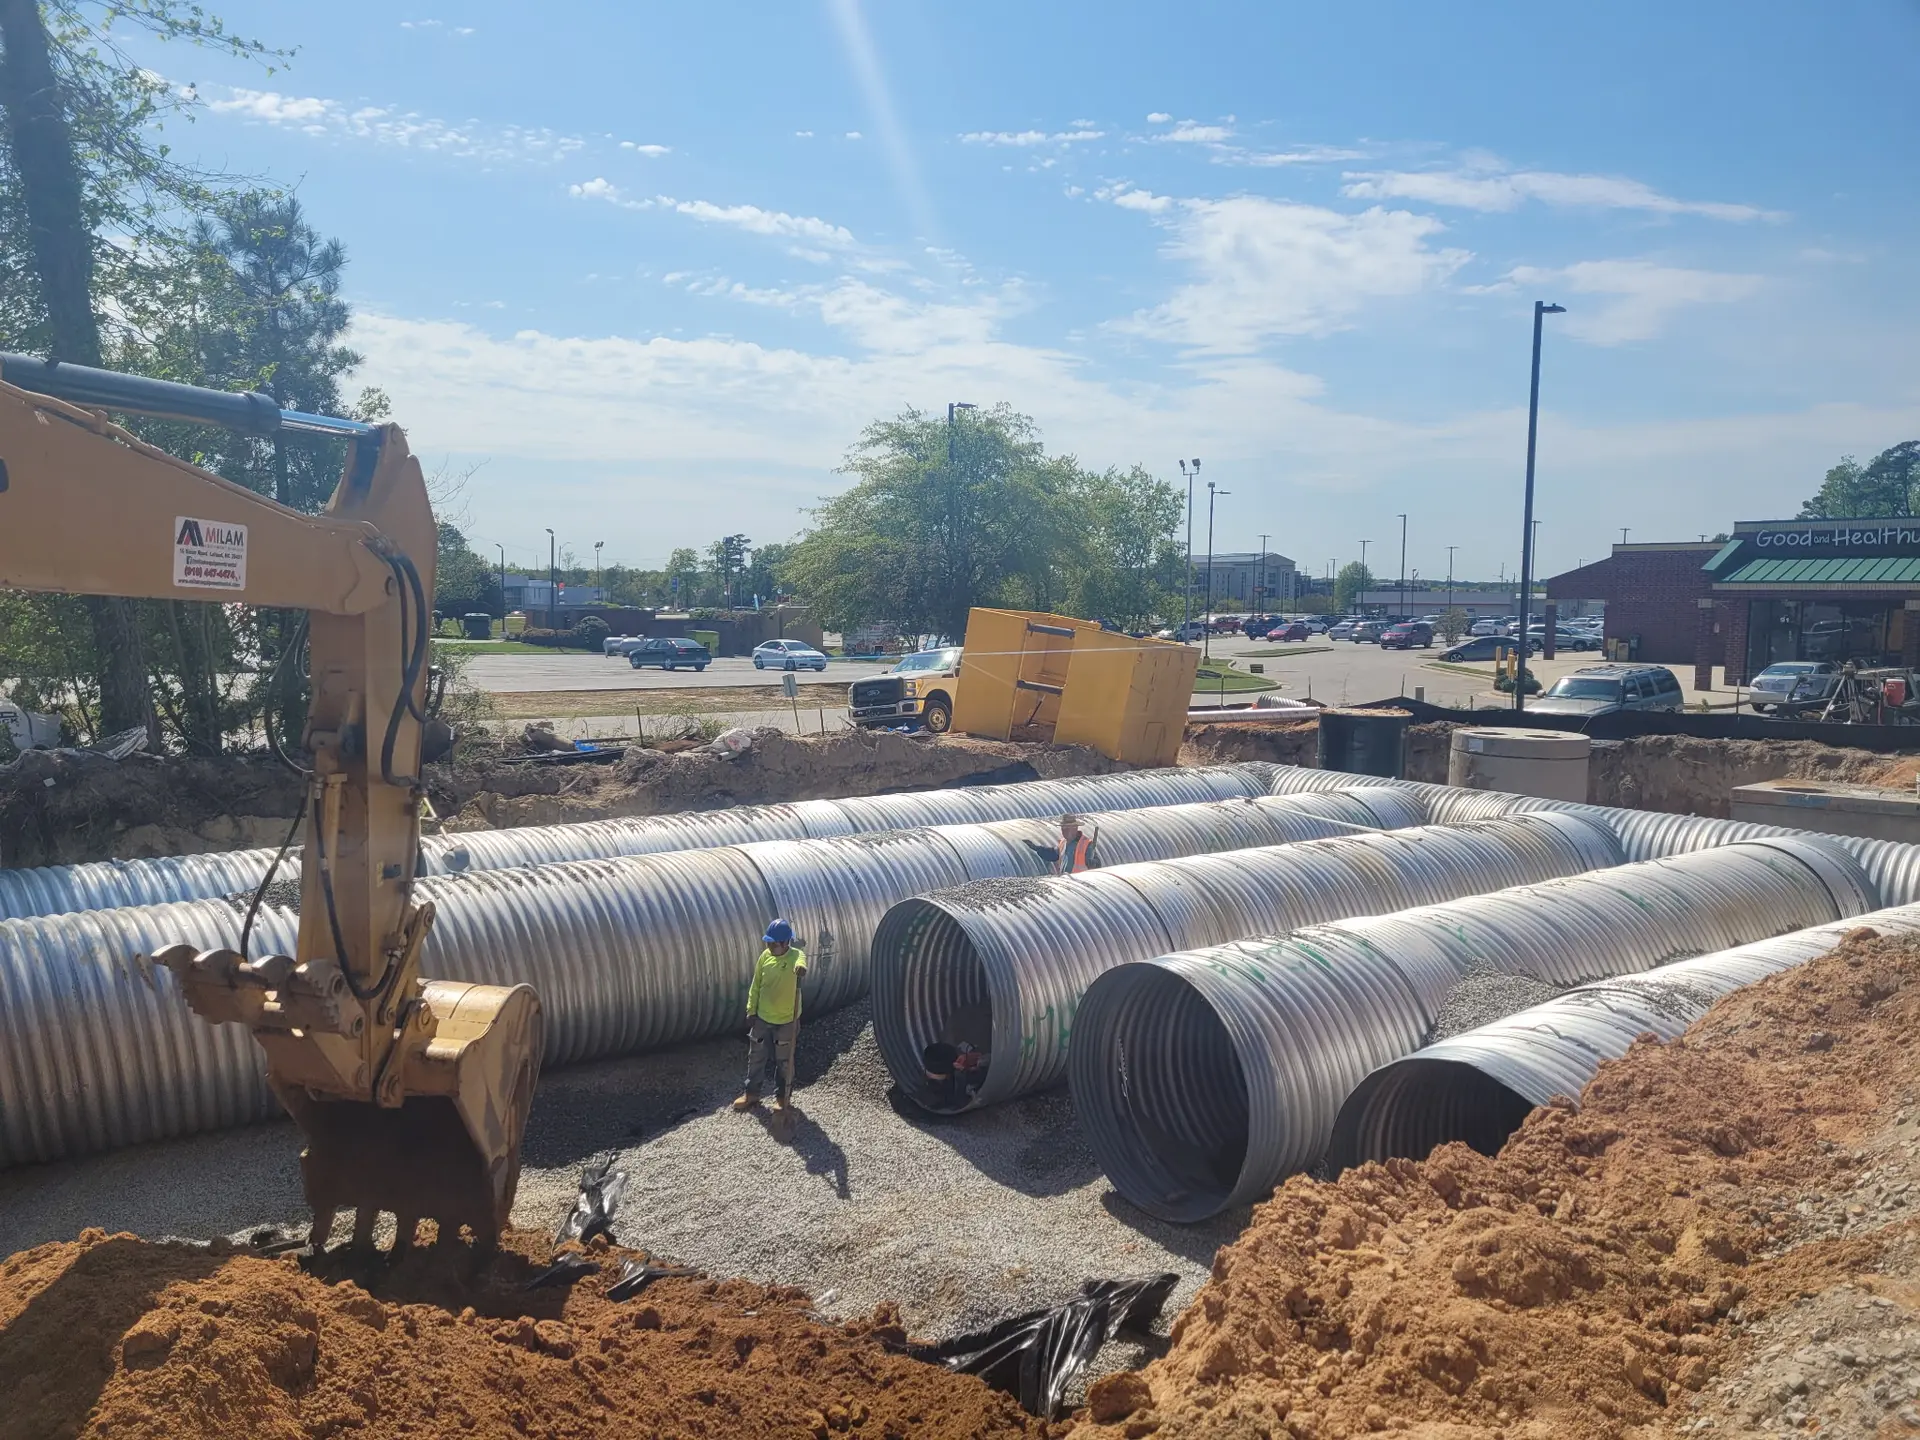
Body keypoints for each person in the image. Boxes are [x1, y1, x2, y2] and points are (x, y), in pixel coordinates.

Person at [733, 919, 807, 1115]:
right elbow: (756, 984)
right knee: (756, 1057)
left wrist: (801, 969)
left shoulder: (796, 956)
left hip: (786, 1021)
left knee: (784, 1061)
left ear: (785, 943)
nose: (769, 947)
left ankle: (783, 1098)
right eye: (768, 943)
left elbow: (801, 962)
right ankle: (751, 1094)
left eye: (773, 943)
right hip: (762, 1019)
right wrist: (751, 1010)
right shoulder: (764, 957)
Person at [1022, 813, 1100, 875]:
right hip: (1066, 883)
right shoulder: (1063, 843)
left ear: (1075, 828)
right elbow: (1053, 854)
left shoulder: (1086, 845)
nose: (1064, 830)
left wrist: (1094, 864)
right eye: (1063, 828)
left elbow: (1097, 864)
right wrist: (1037, 848)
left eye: (1067, 828)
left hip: (1080, 885)